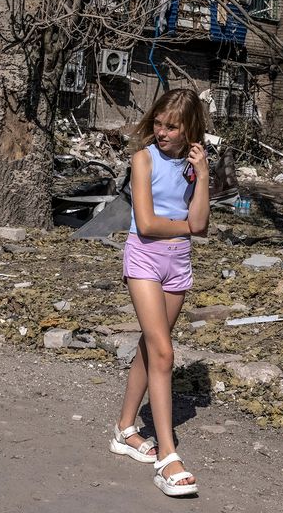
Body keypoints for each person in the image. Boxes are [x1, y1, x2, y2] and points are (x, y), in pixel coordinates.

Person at [109, 88, 209, 498]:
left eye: (172, 126)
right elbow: (147, 224)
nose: (162, 132)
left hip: (178, 264)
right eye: (158, 124)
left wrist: (203, 176)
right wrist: (186, 226)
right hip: (145, 261)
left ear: (190, 130)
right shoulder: (143, 159)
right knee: (165, 352)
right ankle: (168, 456)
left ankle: (124, 429)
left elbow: (201, 221)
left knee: (151, 348)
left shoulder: (192, 167)